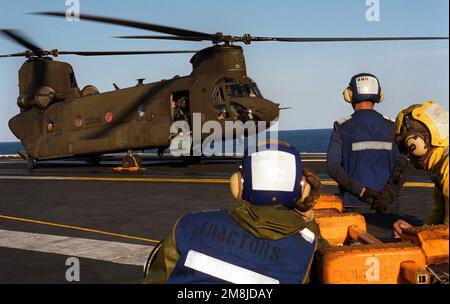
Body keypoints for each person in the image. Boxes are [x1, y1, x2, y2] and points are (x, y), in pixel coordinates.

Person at [143, 140, 326, 284]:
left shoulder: (188, 225)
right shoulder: (309, 249)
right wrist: (308, 220)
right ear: (302, 190)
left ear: (239, 184)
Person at [326, 73, 408, 212]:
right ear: (379, 95)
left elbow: (332, 167)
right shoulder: (393, 126)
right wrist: (388, 194)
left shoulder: (341, 127)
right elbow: (403, 164)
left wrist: (362, 191)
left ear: (349, 95)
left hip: (354, 205)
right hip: (388, 205)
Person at [392, 101, 449, 238]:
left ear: (416, 144)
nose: (408, 156)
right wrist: (416, 233)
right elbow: (440, 216)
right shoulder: (440, 168)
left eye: (406, 148)